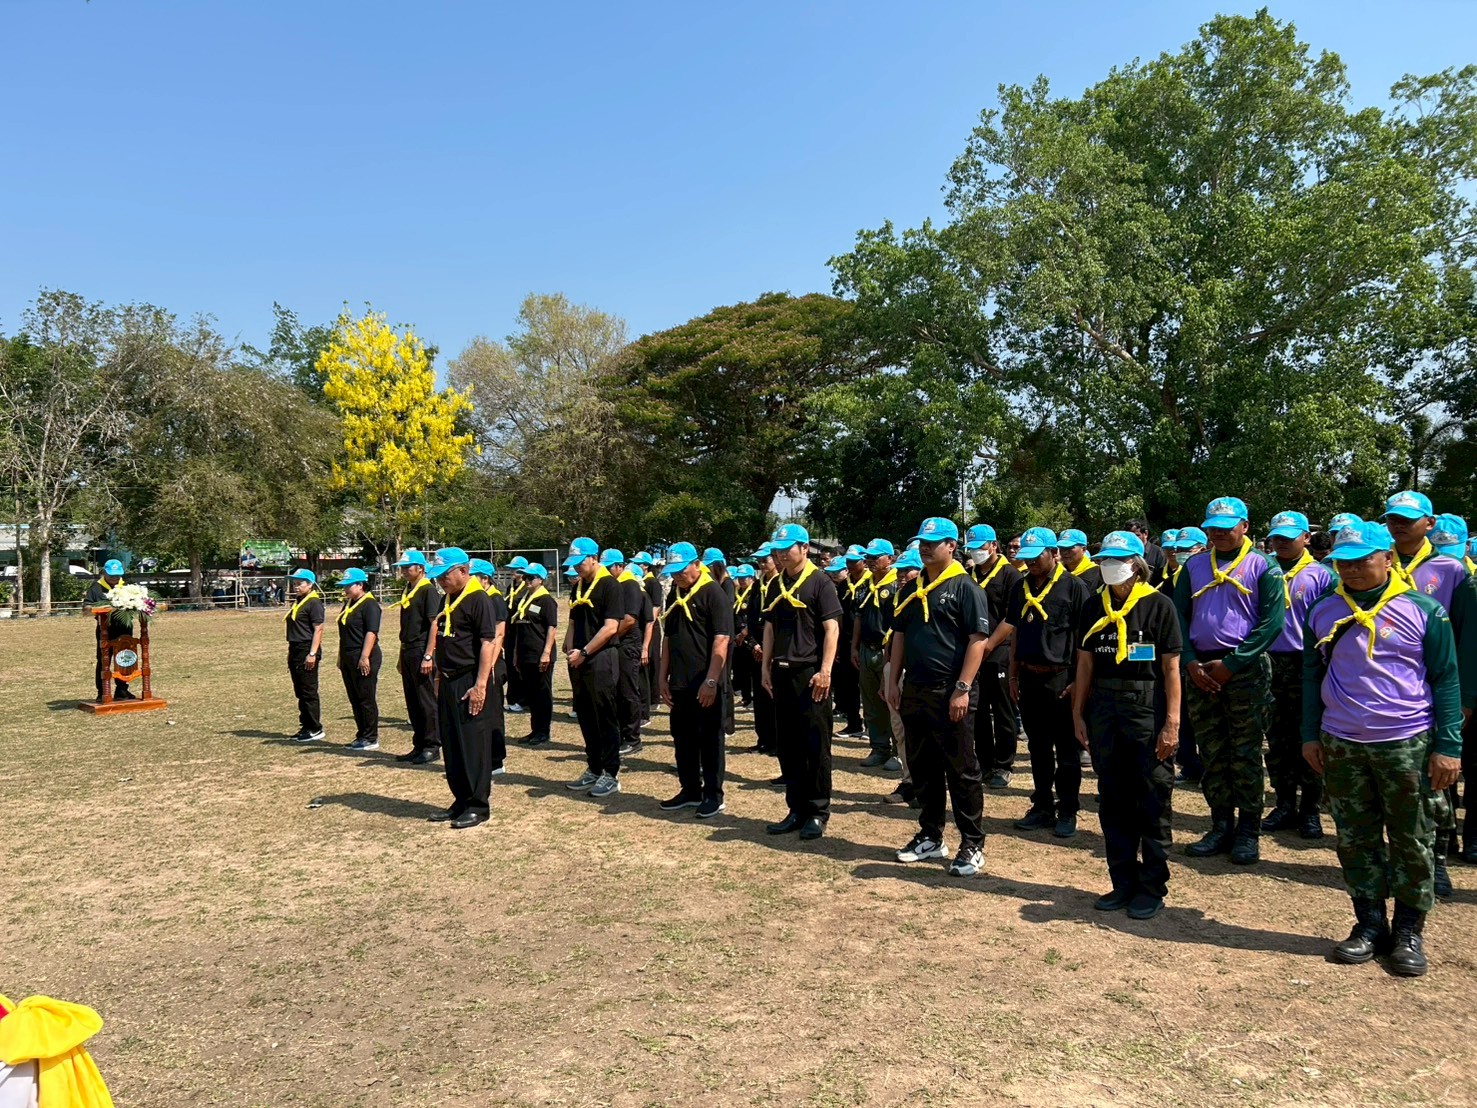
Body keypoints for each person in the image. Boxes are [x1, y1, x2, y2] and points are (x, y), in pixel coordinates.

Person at [1303, 520, 1463, 976]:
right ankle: (1369, 925)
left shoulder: (1424, 610)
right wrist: (1310, 734)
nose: (1351, 570)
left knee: (1413, 839)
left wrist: (1448, 745)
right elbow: (1313, 677)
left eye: (1362, 561)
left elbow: (1446, 679)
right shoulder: (1324, 609)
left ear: (1387, 559)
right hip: (1343, 742)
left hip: (1406, 743)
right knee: (1355, 838)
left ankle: (1409, 931)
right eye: (1343, 563)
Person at [1072, 530, 1183, 919]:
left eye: (1117, 560)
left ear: (1138, 565)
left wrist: (1172, 722)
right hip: (1104, 708)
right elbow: (1084, 663)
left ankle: (1151, 886)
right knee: (1114, 799)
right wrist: (1078, 713)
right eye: (1104, 560)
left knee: (1152, 798)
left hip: (1146, 707)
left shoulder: (1159, 606)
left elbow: (1171, 668)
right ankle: (1122, 881)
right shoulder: (1093, 606)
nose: (1109, 567)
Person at [1172, 497, 1286, 866]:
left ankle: (1248, 831)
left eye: (1227, 526)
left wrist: (1233, 663)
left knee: (1246, 753)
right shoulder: (1193, 566)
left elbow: (1271, 624)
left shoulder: (1263, 566)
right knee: (1213, 752)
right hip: (1201, 671)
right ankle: (1221, 824)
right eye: (1213, 527)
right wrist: (1190, 662)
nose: (1219, 533)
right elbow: (1179, 615)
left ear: (1245, 527)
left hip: (1244, 670)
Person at [1383, 491, 1477, 894]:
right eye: (1393, 518)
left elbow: (1468, 640)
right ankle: (1396, 857)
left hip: (1436, 688)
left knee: (1438, 778)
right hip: (1388, 692)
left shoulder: (1452, 571)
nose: (1400, 525)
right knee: (1396, 782)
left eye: (1408, 518)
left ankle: (1437, 858)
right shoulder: (1372, 563)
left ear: (1430, 522)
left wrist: (1466, 699)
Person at [887, 518, 990, 877]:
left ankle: (973, 844)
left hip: (951, 690)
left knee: (961, 770)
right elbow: (899, 634)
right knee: (922, 767)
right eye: (922, 542)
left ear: (952, 546)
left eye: (934, 542)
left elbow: (978, 641)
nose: (925, 548)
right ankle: (931, 835)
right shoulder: (910, 589)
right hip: (915, 688)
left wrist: (962, 688)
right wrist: (893, 679)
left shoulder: (966, 588)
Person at [984, 526, 1092, 837]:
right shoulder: (1022, 587)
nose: (1029, 563)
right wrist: (1014, 673)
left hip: (1061, 680)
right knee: (1039, 747)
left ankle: (1068, 809)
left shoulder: (1074, 588)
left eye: (1036, 557)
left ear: (1053, 553)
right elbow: (1016, 629)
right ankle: (1042, 804)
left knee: (1067, 750)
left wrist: (1077, 682)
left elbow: (1083, 641)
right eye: (1026, 558)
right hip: (1029, 678)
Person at [762, 524, 843, 840]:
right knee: (789, 746)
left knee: (815, 746)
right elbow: (769, 628)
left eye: (788, 548)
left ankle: (818, 811)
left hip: (810, 675)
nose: (782, 554)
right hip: (782, 673)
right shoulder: (775, 584)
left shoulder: (820, 582)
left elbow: (832, 629)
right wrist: (766, 668)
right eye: (778, 549)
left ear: (804, 548)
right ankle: (795, 809)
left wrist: (825, 671)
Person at [1261, 511, 1335, 837]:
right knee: (1277, 740)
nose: (1281, 542)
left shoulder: (1323, 575)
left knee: (1310, 736)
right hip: (1270, 662)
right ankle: (1284, 803)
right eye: (1276, 536)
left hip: (1307, 664)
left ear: (1306, 537)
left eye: (1289, 536)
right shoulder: (1262, 569)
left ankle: (1310, 810)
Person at [425, 548, 505, 829]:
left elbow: (488, 643)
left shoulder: (478, 600)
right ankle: (460, 799)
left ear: (463, 571)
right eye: (437, 577)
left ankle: (477, 805)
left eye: (444, 576)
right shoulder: (448, 598)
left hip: (469, 679)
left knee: (472, 744)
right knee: (453, 744)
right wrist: (437, 677)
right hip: (447, 679)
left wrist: (480, 685)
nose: (440, 582)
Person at [658, 542, 734, 818]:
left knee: (710, 740)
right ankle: (689, 788)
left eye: (682, 570)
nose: (677, 576)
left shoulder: (713, 593)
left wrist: (712, 680)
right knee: (683, 739)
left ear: (697, 565)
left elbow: (722, 639)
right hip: (680, 681)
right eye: (673, 572)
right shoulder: (675, 595)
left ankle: (713, 795)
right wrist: (662, 676)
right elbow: (669, 637)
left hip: (706, 682)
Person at [563, 537, 626, 798]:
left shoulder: (610, 586)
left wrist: (586, 651)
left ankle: (611, 773)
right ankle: (593, 767)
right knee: (586, 716)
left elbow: (611, 626)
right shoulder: (578, 587)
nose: (577, 568)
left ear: (594, 558)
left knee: (605, 716)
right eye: (573, 563)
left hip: (601, 657)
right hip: (578, 658)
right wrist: (569, 648)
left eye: (580, 562)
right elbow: (574, 620)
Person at [964, 524, 1023, 788]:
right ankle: (984, 762)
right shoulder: (968, 574)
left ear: (993, 546)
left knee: (1002, 710)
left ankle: (1003, 764)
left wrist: (988, 646)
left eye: (980, 548)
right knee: (978, 709)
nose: (977, 553)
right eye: (972, 549)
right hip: (972, 651)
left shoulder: (1010, 575)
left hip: (999, 650)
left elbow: (1012, 618)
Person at [392, 550, 440, 765]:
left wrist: (429, 654)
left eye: (407, 567)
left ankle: (432, 745)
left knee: (425, 700)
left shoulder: (427, 591)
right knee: (412, 700)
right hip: (408, 648)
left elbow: (434, 623)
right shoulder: (408, 589)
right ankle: (419, 743)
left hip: (421, 649)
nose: (403, 571)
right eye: (402, 567)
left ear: (420, 568)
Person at [854, 539, 899, 769]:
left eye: (875, 557)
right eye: (868, 557)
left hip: (886, 650)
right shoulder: (864, 585)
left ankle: (896, 750)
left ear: (889, 559)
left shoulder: (896, 585)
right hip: (866, 649)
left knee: (892, 702)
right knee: (871, 703)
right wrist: (854, 646)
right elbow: (859, 617)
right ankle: (878, 747)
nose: (870, 561)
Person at [335, 568, 383, 752]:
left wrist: (364, 657)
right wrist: (341, 656)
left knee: (365, 697)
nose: (345, 589)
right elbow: (344, 633)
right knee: (354, 697)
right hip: (348, 656)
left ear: (360, 585)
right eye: (344, 586)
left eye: (349, 585)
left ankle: (371, 736)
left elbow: (371, 632)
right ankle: (361, 734)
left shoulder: (370, 605)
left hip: (365, 655)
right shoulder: (348, 604)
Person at [510, 563, 557, 746]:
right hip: (525, 654)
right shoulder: (524, 599)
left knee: (542, 694)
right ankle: (534, 729)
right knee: (531, 694)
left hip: (540, 655)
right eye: (525, 577)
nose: (527, 581)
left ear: (541, 580)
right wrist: (515, 653)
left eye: (531, 578)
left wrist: (546, 653)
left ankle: (543, 731)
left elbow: (551, 628)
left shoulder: (546, 600)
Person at [284, 568, 326, 742]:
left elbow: (319, 629)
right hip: (295, 647)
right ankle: (306, 724)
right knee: (300, 690)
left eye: (300, 583)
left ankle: (315, 727)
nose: (296, 586)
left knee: (308, 690)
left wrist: (312, 653)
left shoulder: (313, 603)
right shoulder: (299, 600)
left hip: (307, 648)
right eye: (294, 583)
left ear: (310, 584)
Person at [747, 544, 781, 760]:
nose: (762, 564)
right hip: (758, 644)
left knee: (775, 697)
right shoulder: (757, 585)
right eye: (759, 561)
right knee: (760, 696)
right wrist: (753, 643)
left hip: (775, 645)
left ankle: (777, 741)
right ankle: (764, 738)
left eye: (765, 559)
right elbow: (751, 617)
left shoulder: (780, 584)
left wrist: (769, 648)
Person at [701, 548, 738, 737]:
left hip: (726, 638)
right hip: (716, 637)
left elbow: (726, 608)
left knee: (724, 680)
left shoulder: (727, 584)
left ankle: (727, 722)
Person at [834, 545, 870, 738]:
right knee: (848, 685)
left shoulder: (870, 583)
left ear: (864, 561)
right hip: (846, 640)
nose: (850, 564)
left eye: (854, 561)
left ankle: (871, 726)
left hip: (866, 641)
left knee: (867, 687)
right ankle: (854, 723)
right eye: (847, 561)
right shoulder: (844, 585)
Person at [85, 559, 133, 701]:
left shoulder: (127, 587)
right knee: (103, 660)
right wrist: (100, 609)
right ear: (104, 572)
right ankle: (102, 692)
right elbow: (86, 607)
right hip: (105, 629)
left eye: (117, 575)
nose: (115, 578)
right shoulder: (95, 588)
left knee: (125, 658)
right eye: (111, 575)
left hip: (125, 628)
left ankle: (122, 690)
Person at [632, 551, 666, 724]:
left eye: (639, 563)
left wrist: (649, 623)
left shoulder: (653, 583)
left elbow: (656, 606)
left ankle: (654, 697)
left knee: (652, 662)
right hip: (644, 626)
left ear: (646, 565)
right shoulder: (641, 582)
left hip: (651, 626)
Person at [501, 556, 530, 712]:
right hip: (509, 631)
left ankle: (523, 699)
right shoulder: (510, 587)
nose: (512, 572)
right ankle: (513, 698)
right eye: (511, 569)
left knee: (519, 665)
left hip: (520, 630)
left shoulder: (527, 587)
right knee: (510, 665)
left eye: (515, 570)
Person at [729, 563, 756, 707]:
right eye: (739, 578)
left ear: (751, 578)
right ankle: (746, 696)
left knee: (754, 669)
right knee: (742, 669)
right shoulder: (736, 593)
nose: (741, 581)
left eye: (744, 578)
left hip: (750, 635)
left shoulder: (754, 593)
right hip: (737, 635)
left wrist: (744, 633)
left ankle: (755, 696)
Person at [1127, 520, 1169, 586]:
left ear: (1145, 534)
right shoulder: (1125, 553)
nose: (1133, 539)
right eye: (1130, 537)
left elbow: (1163, 579)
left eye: (1137, 535)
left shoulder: (1158, 553)